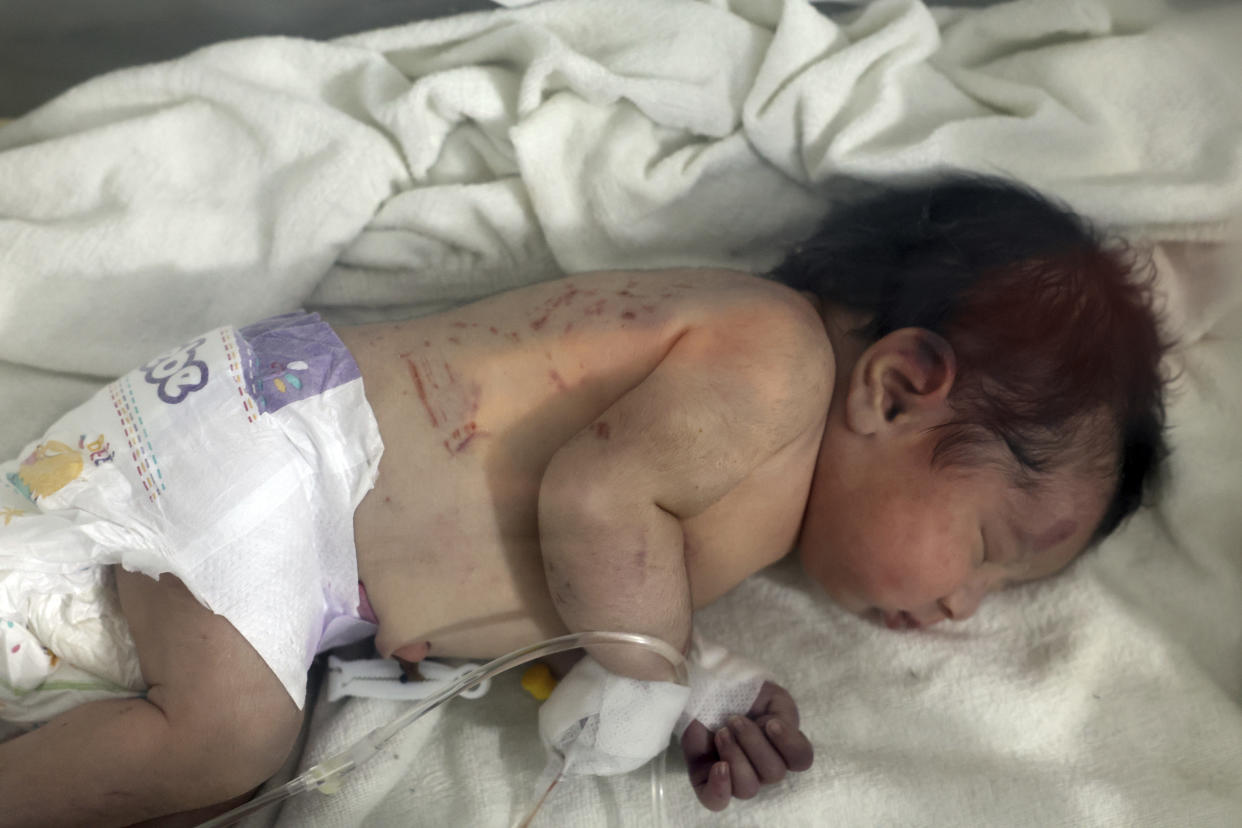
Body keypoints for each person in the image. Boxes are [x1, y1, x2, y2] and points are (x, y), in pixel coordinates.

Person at [0, 173, 1167, 825]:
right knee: (223, 744)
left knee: (183, 768)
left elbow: (567, 599)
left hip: (294, 514)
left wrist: (696, 692)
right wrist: (655, 675)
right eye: (992, 545)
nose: (970, 604)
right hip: (296, 444)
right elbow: (599, 503)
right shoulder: (772, 360)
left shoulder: (739, 504)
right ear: (901, 386)